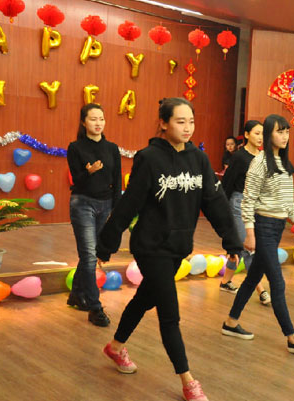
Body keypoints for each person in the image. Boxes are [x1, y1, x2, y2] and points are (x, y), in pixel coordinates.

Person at [96, 97, 242, 401]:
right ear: (163, 123)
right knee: (170, 314)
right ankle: (188, 381)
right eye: (180, 121)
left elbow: (214, 203)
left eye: (191, 122)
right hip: (150, 246)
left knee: (144, 298)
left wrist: (231, 240)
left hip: (178, 247)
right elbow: (129, 202)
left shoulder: (199, 160)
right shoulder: (149, 158)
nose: (187, 128)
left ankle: (115, 347)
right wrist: (106, 244)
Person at [221, 114, 294, 355]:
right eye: (279, 132)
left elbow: (287, 199)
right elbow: (248, 200)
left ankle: (231, 322)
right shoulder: (260, 162)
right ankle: (292, 337)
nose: (284, 136)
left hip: (277, 227)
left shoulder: (283, 163)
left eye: (286, 132)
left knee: (253, 277)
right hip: (263, 226)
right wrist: (250, 233)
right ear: (268, 134)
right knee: (277, 281)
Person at [66, 103, 121, 327]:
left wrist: (117, 209)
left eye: (101, 119)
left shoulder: (112, 148)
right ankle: (95, 307)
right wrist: (88, 172)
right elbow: (76, 180)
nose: (98, 123)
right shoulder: (75, 147)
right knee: (89, 256)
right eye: (93, 119)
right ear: (83, 122)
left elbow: (117, 180)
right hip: (83, 203)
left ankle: (76, 294)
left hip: (105, 204)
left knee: (91, 254)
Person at [220, 120, 270, 305]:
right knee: (249, 247)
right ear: (247, 135)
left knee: (240, 248)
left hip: (256, 205)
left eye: (262, 134)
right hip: (238, 204)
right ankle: (261, 290)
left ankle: (225, 282)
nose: (260, 137)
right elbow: (227, 184)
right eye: (256, 133)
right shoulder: (239, 157)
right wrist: (222, 212)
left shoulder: (263, 157)